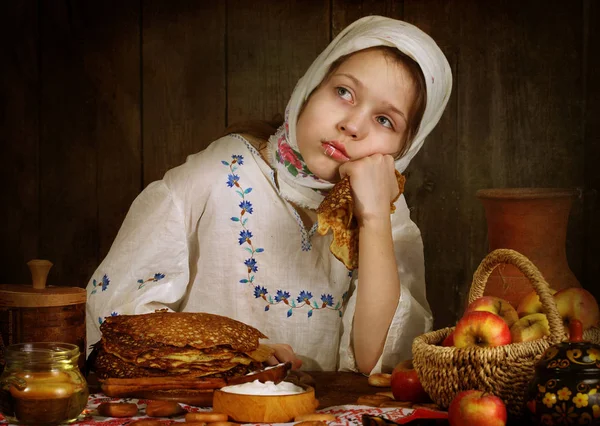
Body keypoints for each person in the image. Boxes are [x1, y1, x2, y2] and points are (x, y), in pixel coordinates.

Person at [85, 15, 452, 375]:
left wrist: (373, 218)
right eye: (343, 92)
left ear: (406, 147)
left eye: (385, 120)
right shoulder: (210, 179)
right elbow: (118, 318)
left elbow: (376, 363)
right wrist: (238, 352)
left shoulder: (385, 212)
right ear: (311, 87)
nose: (352, 125)